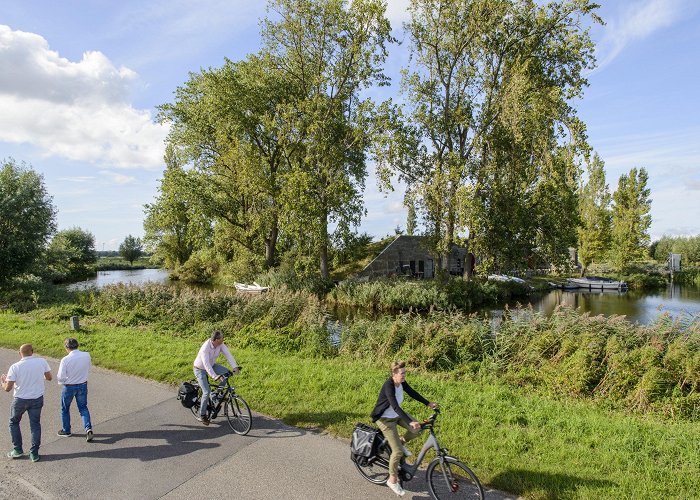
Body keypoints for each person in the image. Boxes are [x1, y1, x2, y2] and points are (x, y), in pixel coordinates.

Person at [371, 360, 438, 497]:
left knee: (417, 430)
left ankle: (401, 441)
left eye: (405, 373)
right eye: (402, 373)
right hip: (385, 420)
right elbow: (395, 406)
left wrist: (428, 403)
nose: (404, 375)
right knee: (397, 452)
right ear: (394, 374)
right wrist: (409, 421)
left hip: (397, 415)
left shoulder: (401, 383)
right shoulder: (388, 385)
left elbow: (412, 393)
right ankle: (392, 480)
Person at [1, 344, 52, 462]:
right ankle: (34, 453)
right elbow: (49, 377)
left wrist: (3, 382)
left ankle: (17, 449)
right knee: (35, 425)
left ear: (20, 354)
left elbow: (7, 388)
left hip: (20, 400)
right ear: (32, 352)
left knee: (13, 422)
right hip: (37, 398)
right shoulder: (42, 361)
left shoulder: (15, 367)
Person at [193, 330, 239, 425]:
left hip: (212, 365)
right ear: (216, 340)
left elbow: (228, 354)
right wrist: (214, 376)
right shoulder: (205, 348)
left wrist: (235, 367)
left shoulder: (220, 344)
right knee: (206, 391)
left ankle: (217, 394)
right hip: (200, 369)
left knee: (227, 373)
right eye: (222, 338)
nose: (223, 339)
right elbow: (205, 364)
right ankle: (202, 415)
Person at [56, 338, 94, 442]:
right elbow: (88, 367)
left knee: (65, 408)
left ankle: (66, 430)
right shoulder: (86, 355)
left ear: (66, 347)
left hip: (69, 386)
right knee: (83, 408)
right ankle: (88, 428)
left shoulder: (65, 360)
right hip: (82, 384)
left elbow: (61, 376)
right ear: (77, 345)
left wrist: (62, 382)